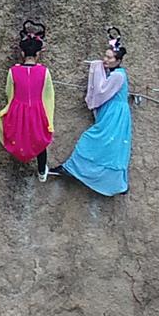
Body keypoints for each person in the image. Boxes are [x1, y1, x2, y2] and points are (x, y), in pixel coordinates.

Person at [0, 20, 55, 182]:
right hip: (37, 110)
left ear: (22, 53)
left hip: (17, 108)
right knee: (39, 138)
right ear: (38, 54)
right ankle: (42, 169)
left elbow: (10, 93)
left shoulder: (13, 71)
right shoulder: (45, 72)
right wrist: (47, 118)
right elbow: (49, 95)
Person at [48, 32, 131, 194]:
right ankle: (77, 170)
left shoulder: (118, 76)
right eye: (105, 57)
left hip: (115, 114)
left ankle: (76, 170)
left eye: (110, 58)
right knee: (106, 144)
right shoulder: (113, 74)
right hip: (110, 112)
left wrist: (96, 68)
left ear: (118, 61)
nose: (105, 61)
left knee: (96, 140)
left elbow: (100, 92)